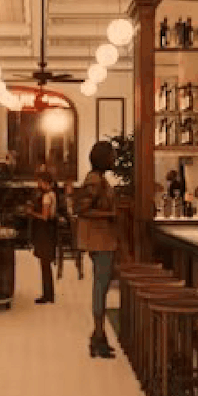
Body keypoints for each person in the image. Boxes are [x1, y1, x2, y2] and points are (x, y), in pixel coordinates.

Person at [73, 141, 120, 359]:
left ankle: (98, 336)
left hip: (100, 239)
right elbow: (81, 209)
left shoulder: (98, 179)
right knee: (100, 288)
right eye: (112, 155)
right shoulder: (94, 179)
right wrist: (109, 215)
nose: (114, 158)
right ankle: (99, 336)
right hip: (99, 239)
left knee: (100, 286)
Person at [29, 170, 58, 304]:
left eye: (40, 181)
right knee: (46, 264)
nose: (38, 184)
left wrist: (32, 212)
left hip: (44, 232)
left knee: (44, 264)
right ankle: (49, 294)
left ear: (45, 182)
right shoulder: (53, 194)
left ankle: (47, 295)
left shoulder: (46, 196)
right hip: (50, 232)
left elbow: (44, 217)